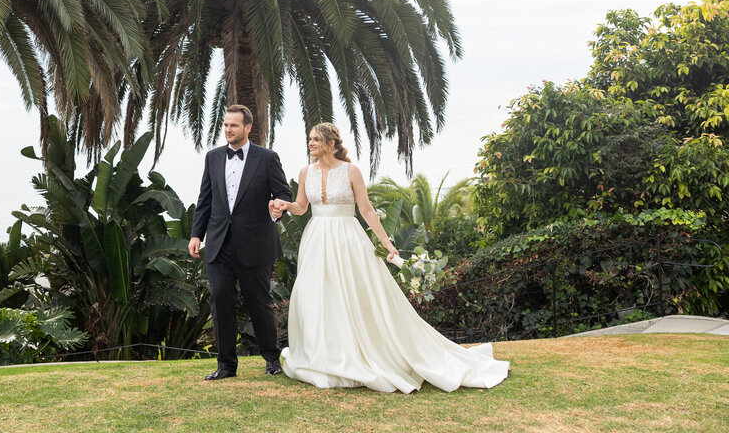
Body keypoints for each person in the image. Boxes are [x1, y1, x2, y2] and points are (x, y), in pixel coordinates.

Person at [270, 122, 509, 392]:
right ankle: (324, 355)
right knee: (318, 295)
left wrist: (387, 244)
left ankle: (360, 352)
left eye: (315, 139)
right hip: (315, 240)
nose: (310, 143)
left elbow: (367, 211)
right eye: (309, 139)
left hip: (347, 239)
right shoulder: (305, 172)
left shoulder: (351, 171)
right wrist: (285, 205)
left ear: (331, 144)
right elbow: (302, 207)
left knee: (352, 294)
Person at [189, 104, 292, 380]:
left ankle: (272, 359)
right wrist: (196, 234)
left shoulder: (267, 158)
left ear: (247, 128)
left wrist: (277, 208)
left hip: (256, 243)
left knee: (259, 302)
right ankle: (225, 366)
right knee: (220, 299)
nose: (228, 130)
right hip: (219, 242)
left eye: (233, 125)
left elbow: (283, 192)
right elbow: (205, 199)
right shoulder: (212, 157)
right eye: (225, 125)